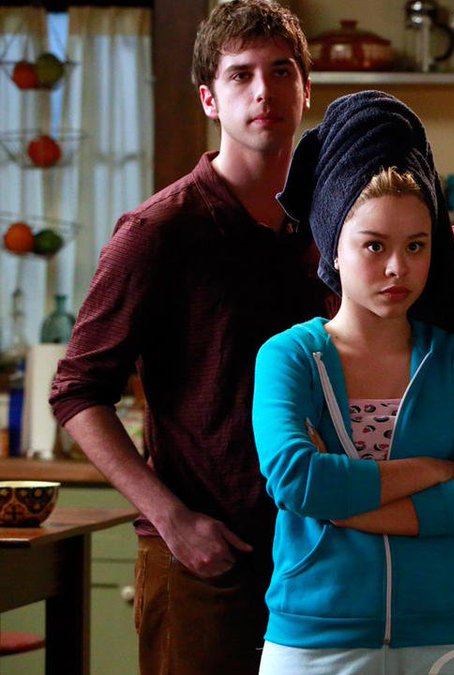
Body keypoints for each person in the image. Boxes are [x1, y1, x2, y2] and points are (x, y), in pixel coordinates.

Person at [46, 2, 326, 673]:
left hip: (318, 550)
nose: (263, 91)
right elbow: (76, 392)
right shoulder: (158, 231)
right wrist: (172, 520)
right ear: (209, 99)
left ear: (305, 90)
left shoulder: (330, 221)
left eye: (281, 71)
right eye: (240, 75)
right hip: (206, 558)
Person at [252, 90, 454, 675]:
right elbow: (297, 479)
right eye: (374, 245)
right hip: (313, 641)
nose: (398, 267)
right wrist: (432, 470)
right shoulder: (289, 358)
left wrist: (348, 507)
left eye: (416, 246)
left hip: (440, 639)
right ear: (333, 247)